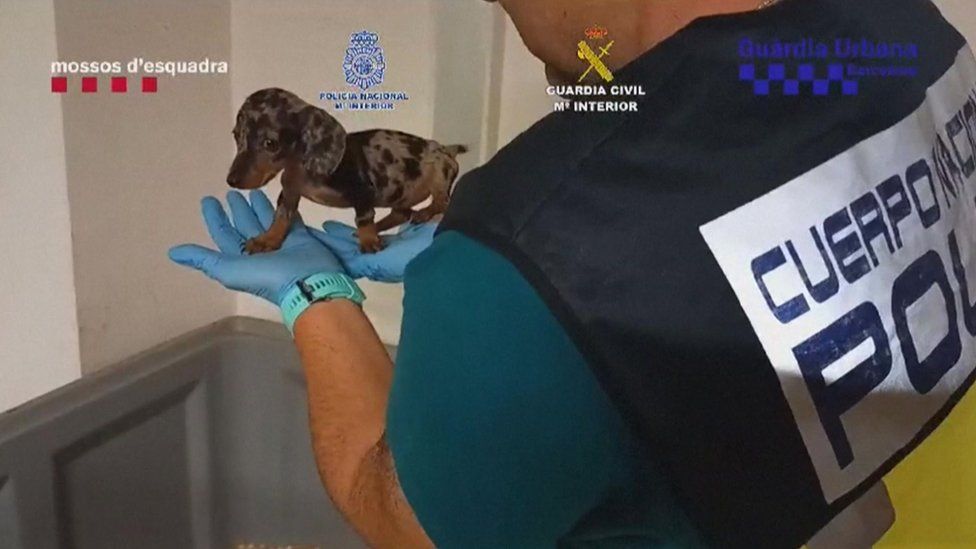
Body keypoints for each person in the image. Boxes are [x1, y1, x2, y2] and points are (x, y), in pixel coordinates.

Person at [170, 0, 976, 547]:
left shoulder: (534, 239)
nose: (512, 19)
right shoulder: (914, 37)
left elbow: (401, 515)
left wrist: (315, 293)